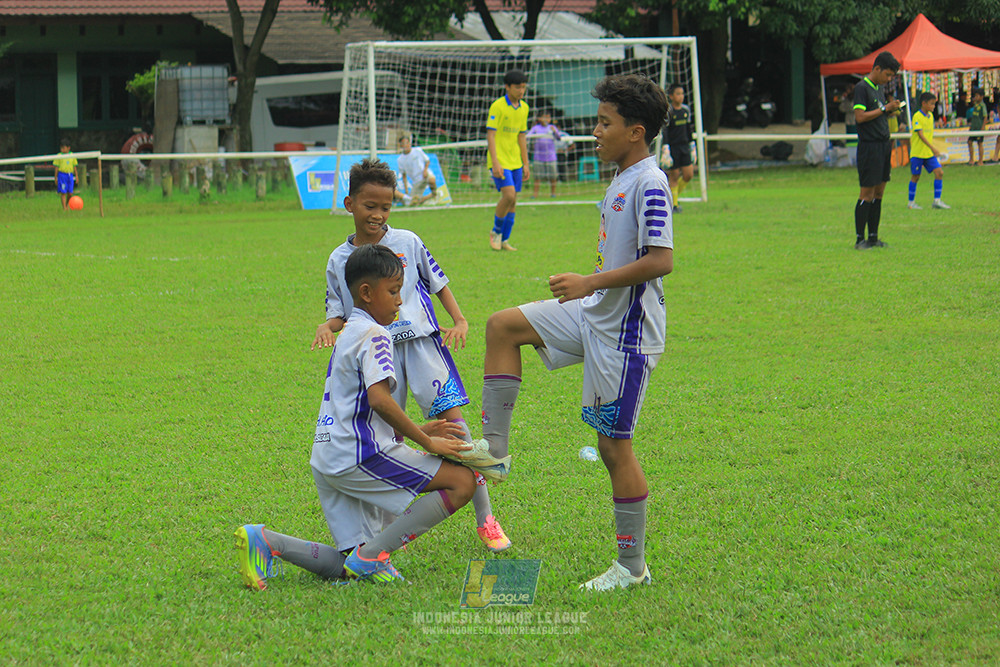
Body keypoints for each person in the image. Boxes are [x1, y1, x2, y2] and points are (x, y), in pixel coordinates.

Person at [479, 74, 672, 591]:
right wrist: (590, 290)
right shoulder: (623, 176)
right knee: (502, 326)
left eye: (604, 123)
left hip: (624, 335)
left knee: (614, 449)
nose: (594, 131)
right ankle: (495, 452)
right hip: (591, 313)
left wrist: (590, 281)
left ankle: (632, 567)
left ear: (635, 131)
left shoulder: (650, 182)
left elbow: (662, 260)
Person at [235, 244, 477, 589]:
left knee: (350, 567)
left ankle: (268, 541)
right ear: (366, 292)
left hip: (327, 456)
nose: (399, 300)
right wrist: (426, 440)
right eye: (394, 291)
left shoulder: (348, 332)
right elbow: (379, 400)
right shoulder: (376, 333)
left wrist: (415, 430)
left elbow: (359, 405)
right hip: (358, 455)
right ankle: (373, 555)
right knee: (462, 482)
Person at [312, 158, 513, 552]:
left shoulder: (407, 241)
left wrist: (459, 319)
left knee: (455, 427)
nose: (378, 215)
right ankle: (384, 533)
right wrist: (326, 326)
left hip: (421, 346)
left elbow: (437, 282)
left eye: (386, 207)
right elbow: (340, 311)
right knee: (388, 433)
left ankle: (486, 518)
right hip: (378, 353)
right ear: (350, 203)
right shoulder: (338, 259)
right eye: (370, 206)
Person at [851, 51, 901, 250]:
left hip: (883, 145)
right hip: (869, 147)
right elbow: (860, 117)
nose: (888, 79)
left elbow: (879, 114)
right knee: (867, 192)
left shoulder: (879, 89)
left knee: (879, 192)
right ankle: (859, 239)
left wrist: (890, 110)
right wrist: (884, 109)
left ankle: (873, 237)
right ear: (877, 68)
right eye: (887, 74)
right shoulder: (862, 88)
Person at [486, 69, 530, 251]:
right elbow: (491, 134)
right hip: (500, 160)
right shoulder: (497, 106)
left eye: (523, 87)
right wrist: (495, 162)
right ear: (508, 87)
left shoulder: (524, 108)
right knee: (509, 195)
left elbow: (521, 137)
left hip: (516, 162)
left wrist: (526, 163)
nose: (521, 91)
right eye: (518, 87)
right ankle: (495, 232)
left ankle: (505, 240)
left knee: (513, 201)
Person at [908, 92, 950, 210]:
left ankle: (937, 201)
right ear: (924, 103)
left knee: (939, 173)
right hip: (917, 153)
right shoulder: (917, 116)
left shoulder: (930, 117)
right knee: (915, 176)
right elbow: (920, 135)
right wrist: (934, 148)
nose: (933, 106)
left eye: (934, 104)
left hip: (928, 153)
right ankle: (911, 203)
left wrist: (932, 150)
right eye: (931, 104)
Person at [661, 83, 695, 213]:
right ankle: (674, 204)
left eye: (682, 93)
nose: (681, 96)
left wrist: (692, 145)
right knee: (674, 175)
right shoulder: (669, 112)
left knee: (688, 174)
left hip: (685, 146)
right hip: (673, 147)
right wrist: (666, 148)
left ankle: (672, 197)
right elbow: (666, 132)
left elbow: (688, 129)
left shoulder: (685, 110)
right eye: (678, 94)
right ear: (671, 96)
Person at [526, 110, 567, 198]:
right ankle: (535, 194)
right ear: (539, 118)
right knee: (537, 177)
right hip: (538, 156)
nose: (546, 119)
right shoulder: (536, 128)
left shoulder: (552, 127)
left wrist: (554, 132)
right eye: (544, 117)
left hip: (551, 156)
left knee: (553, 176)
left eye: (548, 117)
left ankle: (553, 193)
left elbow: (559, 138)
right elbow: (528, 136)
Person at [396, 134, 438, 205]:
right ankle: (429, 197)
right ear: (401, 145)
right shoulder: (400, 159)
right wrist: (406, 190)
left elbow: (427, 161)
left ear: (410, 143)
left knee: (431, 180)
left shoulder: (417, 150)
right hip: (416, 181)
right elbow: (404, 176)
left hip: (425, 175)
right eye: (403, 144)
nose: (405, 145)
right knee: (412, 202)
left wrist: (425, 170)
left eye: (407, 143)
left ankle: (435, 194)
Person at [53, 138, 78, 211]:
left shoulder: (72, 155)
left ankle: (67, 205)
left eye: (64, 148)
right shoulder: (59, 155)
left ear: (68, 148)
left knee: (70, 192)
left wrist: (76, 176)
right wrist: (56, 177)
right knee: (63, 192)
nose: (62, 149)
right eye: (61, 148)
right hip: (62, 175)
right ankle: (64, 207)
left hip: (70, 175)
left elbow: (74, 167)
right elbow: (56, 167)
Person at [966, 88, 987, 166]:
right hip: (973, 128)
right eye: (975, 96)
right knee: (969, 142)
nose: (976, 97)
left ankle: (980, 161)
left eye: (977, 96)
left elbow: (985, 117)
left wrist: (982, 127)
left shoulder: (983, 105)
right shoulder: (975, 104)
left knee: (980, 143)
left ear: (982, 97)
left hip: (979, 128)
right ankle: (971, 160)